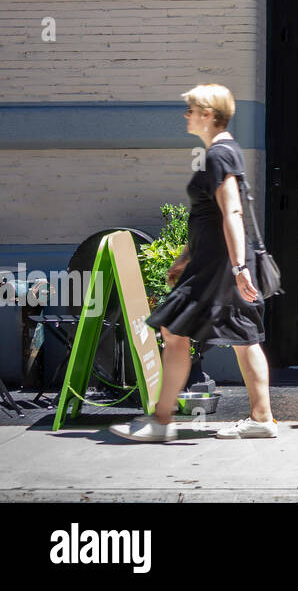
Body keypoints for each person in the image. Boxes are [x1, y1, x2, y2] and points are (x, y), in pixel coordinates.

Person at [112, 84, 276, 441]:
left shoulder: (219, 155)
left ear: (207, 115)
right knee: (234, 336)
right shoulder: (220, 152)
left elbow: (231, 210)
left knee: (180, 332)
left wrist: (237, 268)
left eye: (191, 110)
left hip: (220, 266)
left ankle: (162, 420)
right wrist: (185, 257)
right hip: (212, 262)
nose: (186, 116)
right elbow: (206, 214)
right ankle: (258, 417)